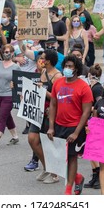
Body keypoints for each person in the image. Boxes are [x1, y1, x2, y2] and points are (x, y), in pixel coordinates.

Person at [47, 55, 93, 195]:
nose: (67, 69)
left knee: (72, 157)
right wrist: (51, 126)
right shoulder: (58, 83)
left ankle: (68, 189)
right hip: (59, 125)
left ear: (76, 69)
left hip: (74, 127)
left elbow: (86, 113)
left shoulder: (84, 87)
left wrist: (76, 132)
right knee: (60, 158)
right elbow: (53, 104)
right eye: (66, 66)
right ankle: (77, 177)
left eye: (70, 66)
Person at [25, 50, 63, 183]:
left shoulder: (58, 76)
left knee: (48, 143)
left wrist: (43, 90)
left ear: (49, 61)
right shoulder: (43, 73)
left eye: (43, 58)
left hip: (50, 112)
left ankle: (55, 174)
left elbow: (57, 98)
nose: (40, 60)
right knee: (32, 139)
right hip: (38, 110)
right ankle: (47, 167)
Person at [83, 64, 104, 190]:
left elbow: (99, 104)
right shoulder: (91, 87)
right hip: (89, 119)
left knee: (93, 149)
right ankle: (95, 175)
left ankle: (98, 177)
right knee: (89, 150)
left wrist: (88, 109)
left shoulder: (97, 88)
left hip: (95, 120)